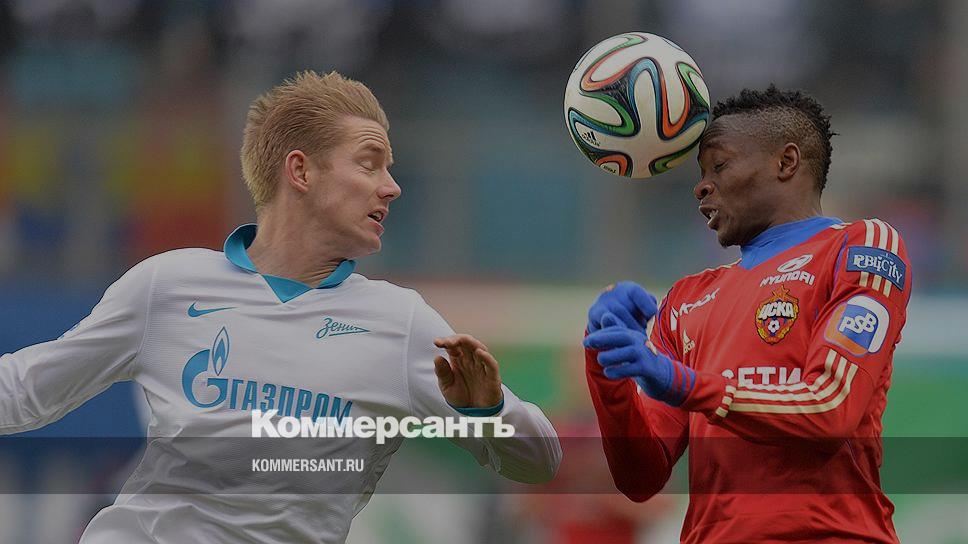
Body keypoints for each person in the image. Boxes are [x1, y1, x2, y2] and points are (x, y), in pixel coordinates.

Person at [0, 70, 561, 543]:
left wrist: (490, 413)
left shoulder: (402, 322)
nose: (391, 187)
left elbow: (540, 462)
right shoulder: (167, 284)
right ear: (300, 171)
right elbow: (26, 391)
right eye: (369, 164)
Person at [583, 86, 909, 543]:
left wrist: (684, 383)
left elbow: (830, 406)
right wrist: (606, 366)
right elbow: (640, 478)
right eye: (701, 173)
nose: (701, 186)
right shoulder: (686, 300)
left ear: (786, 162)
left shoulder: (860, 246)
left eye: (719, 165)